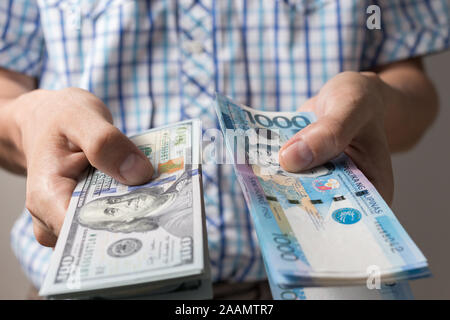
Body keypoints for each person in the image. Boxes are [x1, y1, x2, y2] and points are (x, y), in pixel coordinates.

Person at [0, 0, 448, 299]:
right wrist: (30, 122)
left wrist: (377, 99)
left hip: (326, 289)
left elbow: (412, 87)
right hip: (89, 287)